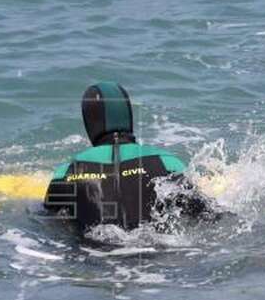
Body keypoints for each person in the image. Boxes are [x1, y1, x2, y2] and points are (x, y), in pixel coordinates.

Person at [43, 81, 212, 231]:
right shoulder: (167, 162)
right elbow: (204, 213)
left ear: (90, 121)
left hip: (97, 260)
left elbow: (49, 222)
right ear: (127, 115)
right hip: (162, 256)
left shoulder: (67, 173)